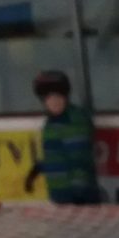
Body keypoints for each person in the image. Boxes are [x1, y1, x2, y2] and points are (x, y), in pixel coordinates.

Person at [23, 70, 100, 206]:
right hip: (60, 196)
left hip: (77, 198)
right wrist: (35, 172)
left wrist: (79, 192)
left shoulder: (75, 120)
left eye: (58, 97)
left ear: (65, 97)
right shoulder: (51, 122)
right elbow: (54, 155)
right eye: (49, 99)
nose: (55, 102)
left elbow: (79, 158)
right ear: (44, 101)